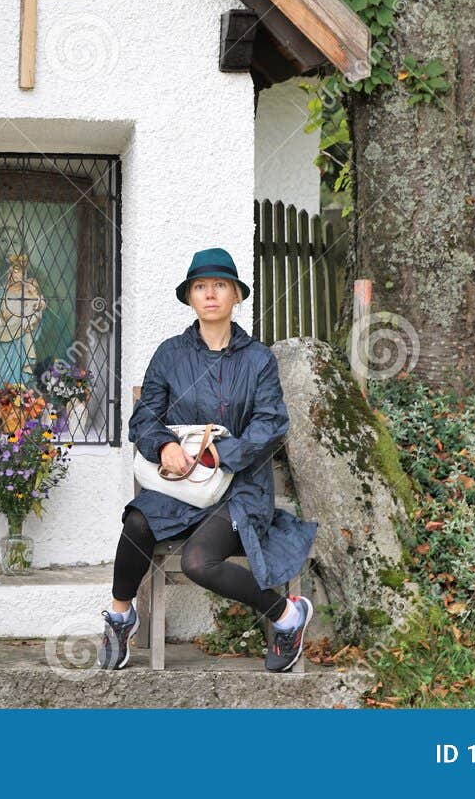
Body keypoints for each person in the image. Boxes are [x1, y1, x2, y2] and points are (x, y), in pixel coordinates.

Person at [98, 247, 319, 672]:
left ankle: (288, 616)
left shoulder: (258, 360)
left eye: (220, 285)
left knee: (198, 562)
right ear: (190, 297)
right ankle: (121, 616)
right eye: (201, 286)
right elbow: (146, 415)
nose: (211, 294)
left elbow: (272, 422)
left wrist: (222, 452)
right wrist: (163, 446)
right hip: (181, 486)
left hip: (239, 491)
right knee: (137, 521)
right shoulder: (170, 354)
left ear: (236, 295)